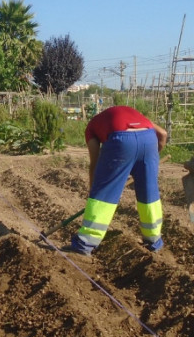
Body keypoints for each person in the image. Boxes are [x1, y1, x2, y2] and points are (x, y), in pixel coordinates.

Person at [66, 105, 168, 255]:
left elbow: (95, 162)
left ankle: (85, 243)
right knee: (149, 193)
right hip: (149, 140)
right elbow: (163, 134)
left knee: (104, 194)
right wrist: (147, 159)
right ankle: (153, 241)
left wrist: (94, 190)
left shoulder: (92, 127)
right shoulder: (136, 115)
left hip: (121, 141)